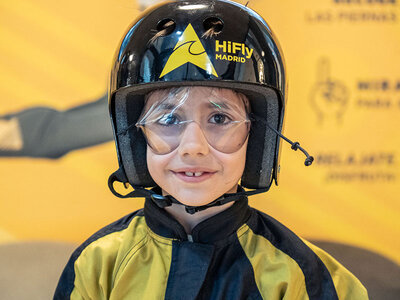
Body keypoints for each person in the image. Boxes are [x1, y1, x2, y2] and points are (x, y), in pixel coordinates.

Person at [54, 1, 368, 299]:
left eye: (219, 118)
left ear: (257, 134)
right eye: (168, 118)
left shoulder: (305, 277)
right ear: (135, 137)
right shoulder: (96, 266)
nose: (193, 147)